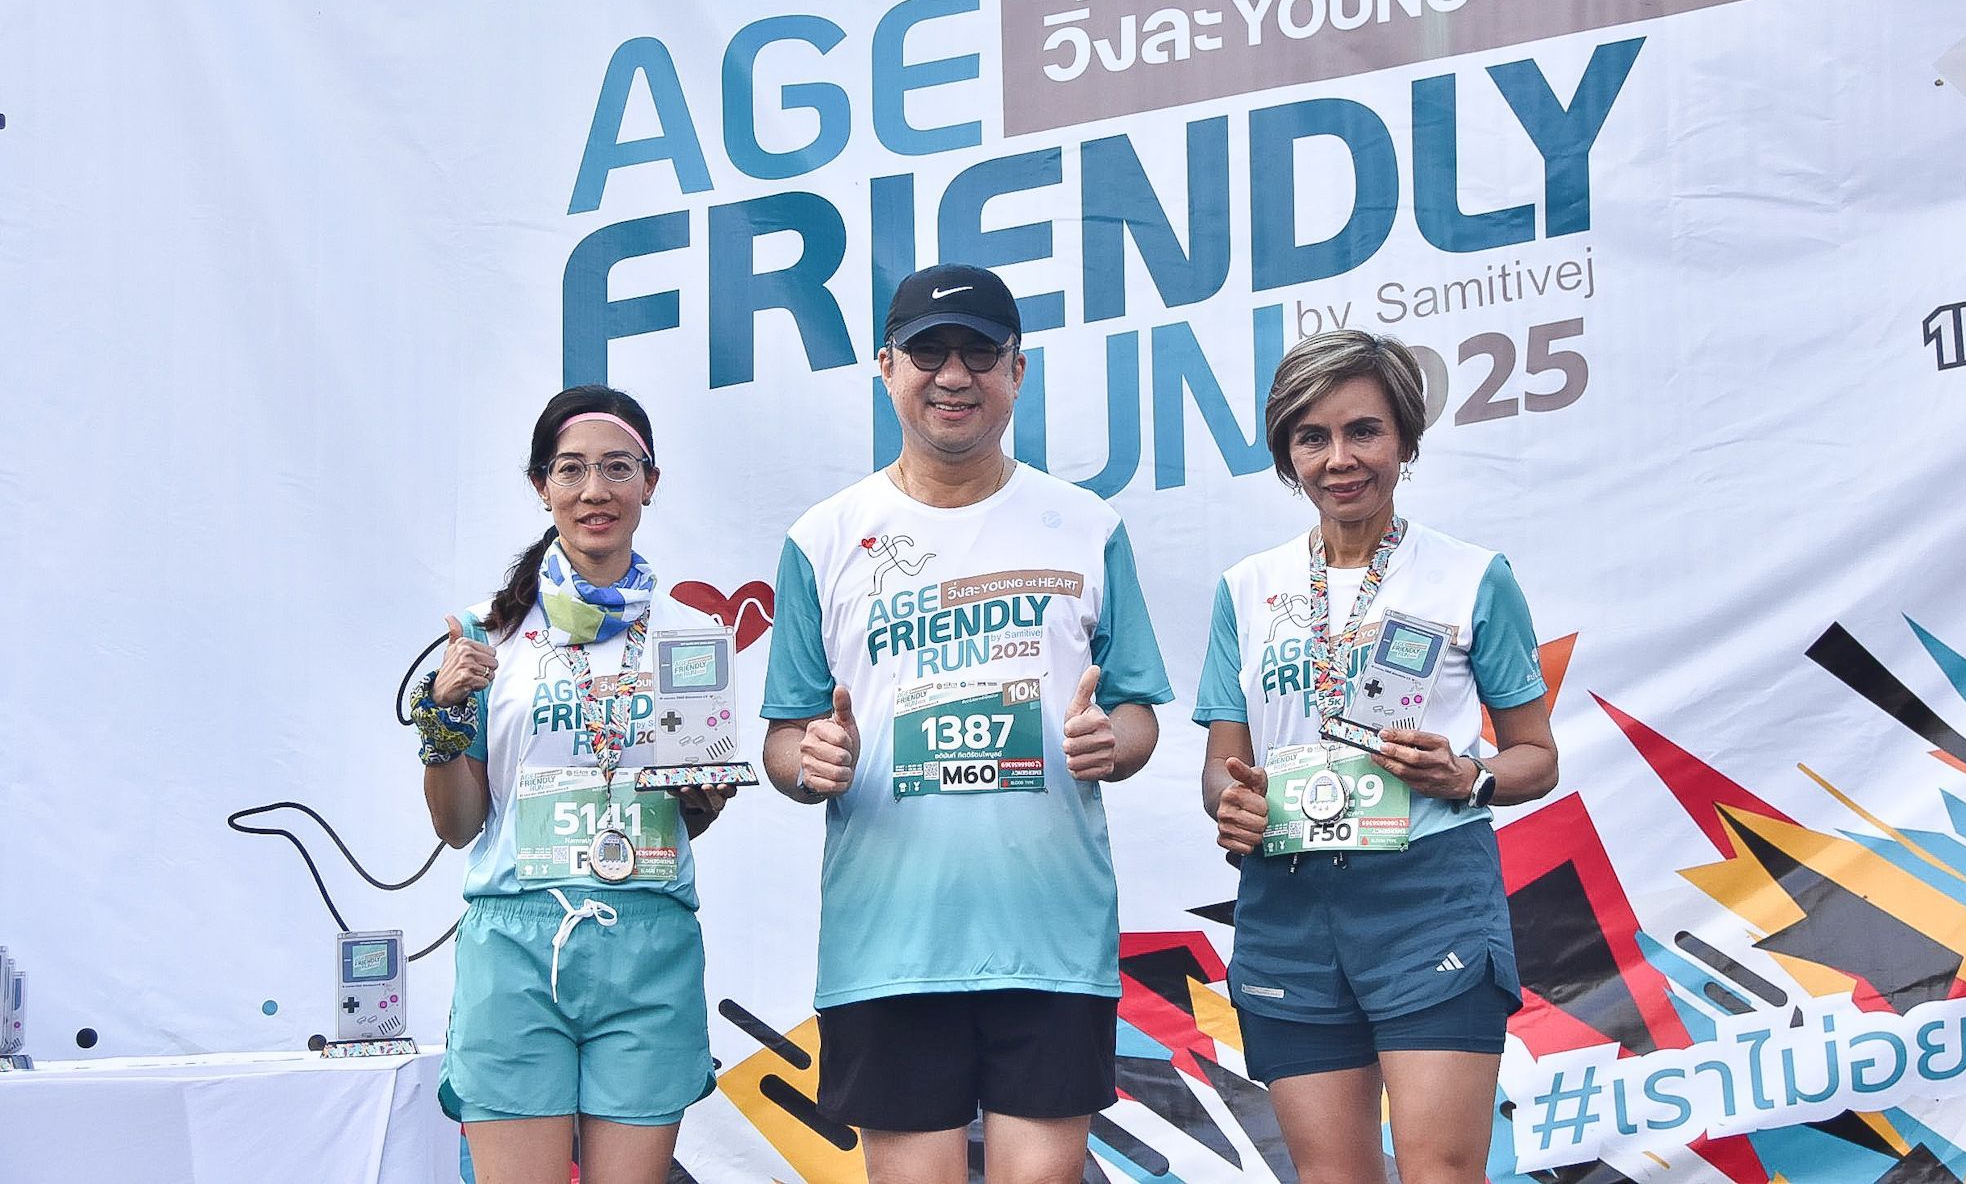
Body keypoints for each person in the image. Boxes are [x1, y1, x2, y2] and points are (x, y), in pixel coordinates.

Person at [761, 263, 1173, 1184]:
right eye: (927, 352)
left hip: (1050, 937)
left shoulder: (1086, 525)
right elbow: (785, 741)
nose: (954, 375)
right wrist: (812, 759)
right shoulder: (822, 538)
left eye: (980, 353)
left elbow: (1137, 713)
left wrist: (1114, 743)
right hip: (890, 944)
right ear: (886, 369)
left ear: (1017, 372)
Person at [1195, 331, 1559, 1184]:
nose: (1340, 459)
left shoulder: (1472, 576)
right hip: (1287, 901)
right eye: (1312, 437)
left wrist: (1469, 776)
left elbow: (1536, 756)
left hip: (1428, 891)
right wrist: (1232, 803)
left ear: (1405, 439)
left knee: (1440, 1173)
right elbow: (1221, 768)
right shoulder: (1246, 588)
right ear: (1287, 453)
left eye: (1363, 430)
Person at [410, 385, 735, 1184]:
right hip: (516, 941)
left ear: (650, 482)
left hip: (648, 937)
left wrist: (702, 801)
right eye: (572, 470)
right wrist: (442, 716)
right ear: (541, 486)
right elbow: (458, 826)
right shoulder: (485, 633)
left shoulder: (690, 638)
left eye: (618, 468)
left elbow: (685, 817)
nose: (596, 491)